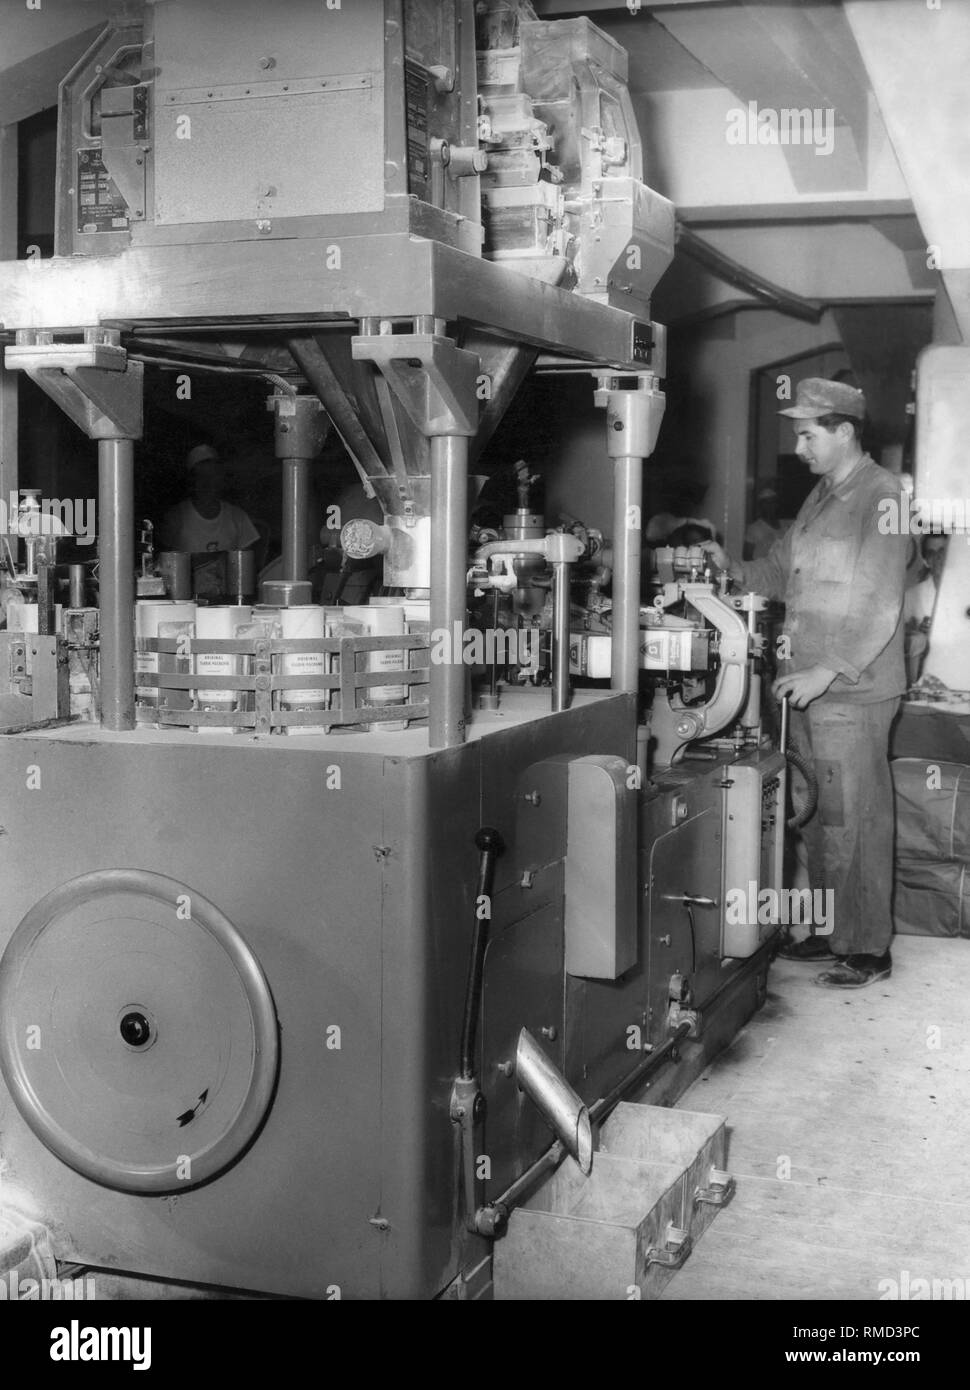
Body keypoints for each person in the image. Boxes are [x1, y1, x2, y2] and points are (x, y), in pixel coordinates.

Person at [701, 378, 909, 990]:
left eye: (807, 433)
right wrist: (727, 568)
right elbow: (775, 571)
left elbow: (881, 601)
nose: (799, 446)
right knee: (815, 814)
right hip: (807, 686)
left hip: (851, 687)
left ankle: (868, 947)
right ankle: (826, 930)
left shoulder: (882, 496)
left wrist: (828, 670)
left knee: (856, 817)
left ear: (844, 431)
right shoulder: (822, 496)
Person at [159, 444, 260, 597]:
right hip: (185, 600)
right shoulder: (176, 517)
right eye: (201, 476)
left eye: (213, 476)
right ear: (192, 481)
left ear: (221, 478)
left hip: (228, 601)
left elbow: (248, 568)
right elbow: (164, 566)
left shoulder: (237, 517)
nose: (207, 482)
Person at [744, 483, 786, 560]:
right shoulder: (754, 528)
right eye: (766, 503)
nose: (770, 506)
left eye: (773, 502)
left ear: (776, 504)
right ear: (761, 506)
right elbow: (747, 556)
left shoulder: (784, 526)